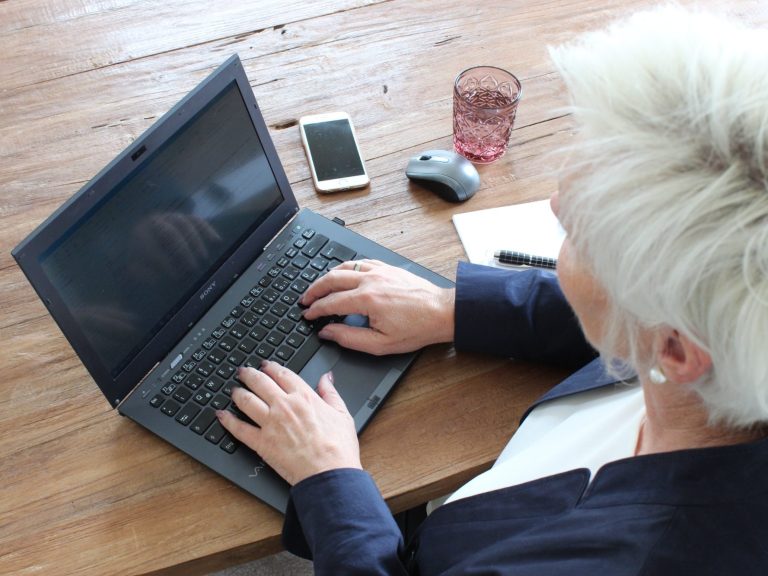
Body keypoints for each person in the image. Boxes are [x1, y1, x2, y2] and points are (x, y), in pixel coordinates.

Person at [217, 6, 768, 574]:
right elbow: (633, 321)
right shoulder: (724, 351)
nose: (558, 204)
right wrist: (448, 309)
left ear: (676, 349)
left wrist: (328, 478)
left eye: (582, 234)